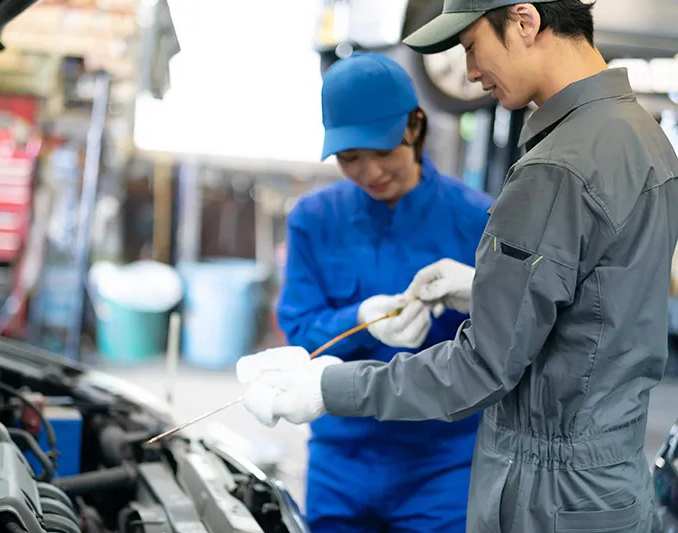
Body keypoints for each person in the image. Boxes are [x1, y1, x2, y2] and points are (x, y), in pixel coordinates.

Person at [236, 1, 678, 532]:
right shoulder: (643, 137)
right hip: (602, 480)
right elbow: (596, 304)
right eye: (350, 158)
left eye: (471, 46)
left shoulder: (552, 169)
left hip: (535, 487)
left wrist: (326, 388)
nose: (469, 72)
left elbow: (483, 366)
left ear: (524, 20)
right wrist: (483, 290)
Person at [245, 52, 494, 532]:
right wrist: (358, 317)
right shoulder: (315, 221)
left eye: (382, 151)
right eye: (350, 158)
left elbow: (502, 345)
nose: (370, 172)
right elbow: (299, 337)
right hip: (342, 459)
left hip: (443, 462)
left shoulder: (477, 220)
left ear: (414, 128)